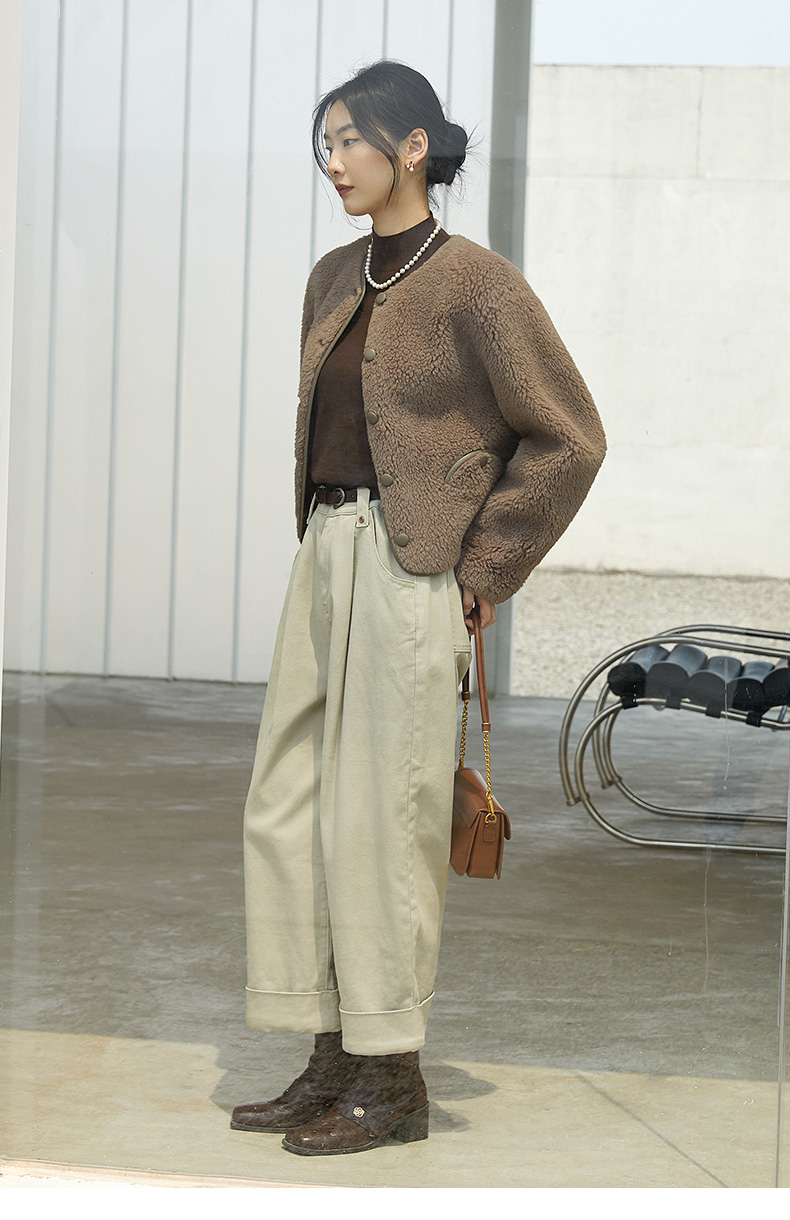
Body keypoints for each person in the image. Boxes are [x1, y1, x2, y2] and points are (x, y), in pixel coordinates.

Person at [231, 60, 606, 1157]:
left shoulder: (477, 285)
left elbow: (569, 437)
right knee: (289, 800)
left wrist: (484, 568)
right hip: (325, 554)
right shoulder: (331, 277)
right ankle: (331, 1049)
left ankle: (391, 1075)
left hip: (411, 571)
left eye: (350, 140)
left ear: (410, 148)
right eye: (325, 145)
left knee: (384, 817)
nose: (334, 163)